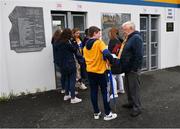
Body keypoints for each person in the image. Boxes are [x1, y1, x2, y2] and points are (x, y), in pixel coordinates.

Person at [83, 26, 117, 121]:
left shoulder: (85, 46)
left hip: (90, 72)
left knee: (93, 92)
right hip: (100, 72)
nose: (100, 34)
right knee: (104, 92)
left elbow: (85, 58)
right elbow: (106, 53)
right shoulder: (99, 43)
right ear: (94, 33)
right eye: (99, 33)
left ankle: (96, 112)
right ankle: (108, 113)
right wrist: (111, 61)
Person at [120, 21, 143, 117]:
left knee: (134, 89)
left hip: (132, 69)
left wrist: (134, 68)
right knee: (128, 88)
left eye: (124, 29)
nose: (123, 31)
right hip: (127, 68)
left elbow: (139, 55)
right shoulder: (129, 38)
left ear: (131, 29)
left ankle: (137, 108)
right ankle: (131, 103)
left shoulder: (136, 38)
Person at [53, 28, 82, 104]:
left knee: (66, 79)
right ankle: (73, 97)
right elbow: (74, 50)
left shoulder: (57, 42)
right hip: (70, 63)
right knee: (72, 80)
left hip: (62, 64)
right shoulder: (67, 43)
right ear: (68, 34)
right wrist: (75, 43)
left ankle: (66, 95)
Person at [108, 27, 125, 99]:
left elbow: (111, 52)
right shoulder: (120, 40)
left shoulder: (112, 41)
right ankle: (121, 89)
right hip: (119, 60)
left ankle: (115, 93)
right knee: (118, 75)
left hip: (114, 61)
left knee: (112, 77)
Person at [51, 29, 65, 94]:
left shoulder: (54, 40)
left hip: (57, 60)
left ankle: (63, 88)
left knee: (61, 75)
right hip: (61, 60)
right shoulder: (59, 42)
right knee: (64, 75)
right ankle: (64, 88)